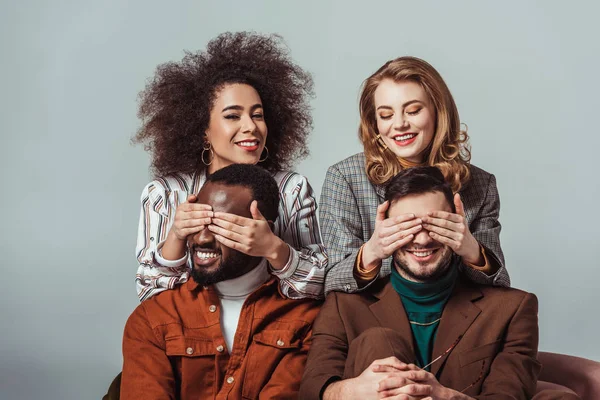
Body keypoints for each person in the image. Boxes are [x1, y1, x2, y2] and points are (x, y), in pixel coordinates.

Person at [299, 166, 549, 399]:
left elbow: (508, 394)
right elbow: (312, 388)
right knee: (377, 340)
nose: (421, 239)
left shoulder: (514, 309)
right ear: (385, 229)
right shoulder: (343, 306)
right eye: (406, 226)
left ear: (457, 225)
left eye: (434, 224)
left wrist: (444, 395)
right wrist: (350, 391)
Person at [134, 32, 327, 302]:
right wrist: (177, 237)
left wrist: (274, 249)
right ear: (202, 129)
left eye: (257, 115)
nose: (250, 127)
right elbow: (149, 296)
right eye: (232, 116)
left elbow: (321, 287)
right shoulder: (165, 194)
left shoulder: (291, 189)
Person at [121, 164, 321, 399]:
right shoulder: (153, 319)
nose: (203, 238)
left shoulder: (305, 320)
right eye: (197, 222)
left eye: (221, 225)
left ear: (262, 231)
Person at [320, 56, 509, 295]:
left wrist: (471, 249)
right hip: (375, 321)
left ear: (438, 113)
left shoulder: (480, 185)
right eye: (386, 115)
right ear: (374, 123)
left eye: (413, 110)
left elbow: (500, 287)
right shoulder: (345, 179)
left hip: (454, 320)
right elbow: (331, 284)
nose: (399, 124)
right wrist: (372, 252)